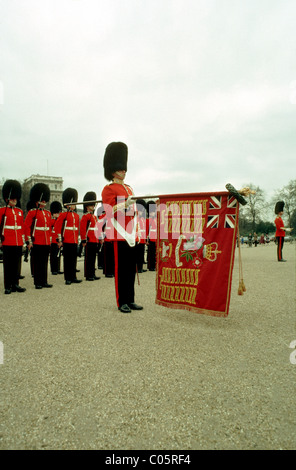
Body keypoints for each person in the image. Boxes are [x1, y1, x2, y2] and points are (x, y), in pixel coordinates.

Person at [101, 141, 143, 313]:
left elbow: (134, 212)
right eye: (120, 168)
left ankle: (131, 299)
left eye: (124, 168)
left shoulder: (129, 188)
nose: (123, 171)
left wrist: (138, 229)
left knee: (131, 269)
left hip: (131, 232)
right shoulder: (108, 188)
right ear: (112, 170)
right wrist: (125, 203)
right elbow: (109, 211)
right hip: (119, 232)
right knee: (121, 270)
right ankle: (121, 301)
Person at [24, 183, 52, 289]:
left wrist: (49, 240)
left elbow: (48, 228)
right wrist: (29, 241)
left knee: (44, 262)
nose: (44, 201)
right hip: (37, 240)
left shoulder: (48, 213)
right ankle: (37, 282)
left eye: (45, 200)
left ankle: (44, 281)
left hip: (45, 241)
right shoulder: (32, 213)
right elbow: (27, 227)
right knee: (37, 262)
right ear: (36, 200)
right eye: (42, 199)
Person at [0, 179, 26, 294]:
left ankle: (15, 284)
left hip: (17, 241)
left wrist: (23, 240)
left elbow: (21, 227)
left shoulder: (19, 211)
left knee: (17, 264)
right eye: (12, 198)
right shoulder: (1, 211)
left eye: (16, 198)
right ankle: (7, 286)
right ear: (7, 199)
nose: (14, 200)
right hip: (7, 241)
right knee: (8, 265)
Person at [55, 188, 82, 284]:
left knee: (73, 259)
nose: (74, 205)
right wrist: (59, 240)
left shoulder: (76, 216)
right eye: (73, 203)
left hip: (74, 240)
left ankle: (73, 276)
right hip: (66, 240)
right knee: (67, 260)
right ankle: (68, 278)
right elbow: (58, 227)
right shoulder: (63, 215)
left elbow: (76, 229)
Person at [80, 191, 101, 281]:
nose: (93, 207)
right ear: (87, 206)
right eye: (91, 205)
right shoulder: (86, 217)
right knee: (88, 258)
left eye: (93, 205)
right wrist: (83, 240)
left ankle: (92, 273)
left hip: (94, 239)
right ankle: (88, 275)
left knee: (93, 258)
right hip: (89, 239)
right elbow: (83, 229)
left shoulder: (94, 217)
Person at [50, 201, 63, 275]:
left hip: (58, 240)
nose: (56, 214)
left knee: (58, 255)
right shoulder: (51, 221)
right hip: (53, 240)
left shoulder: (59, 221)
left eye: (57, 213)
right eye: (55, 213)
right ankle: (53, 269)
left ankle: (58, 268)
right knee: (53, 256)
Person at [135, 199, 147, 273]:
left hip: (142, 238)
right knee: (137, 254)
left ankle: (140, 267)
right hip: (137, 238)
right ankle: (137, 268)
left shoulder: (142, 219)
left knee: (141, 254)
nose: (141, 212)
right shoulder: (135, 219)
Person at [147, 200, 157, 271]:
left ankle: (154, 265)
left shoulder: (156, 219)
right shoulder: (149, 220)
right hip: (151, 237)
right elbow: (147, 230)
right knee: (151, 253)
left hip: (156, 237)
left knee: (154, 253)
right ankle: (151, 266)